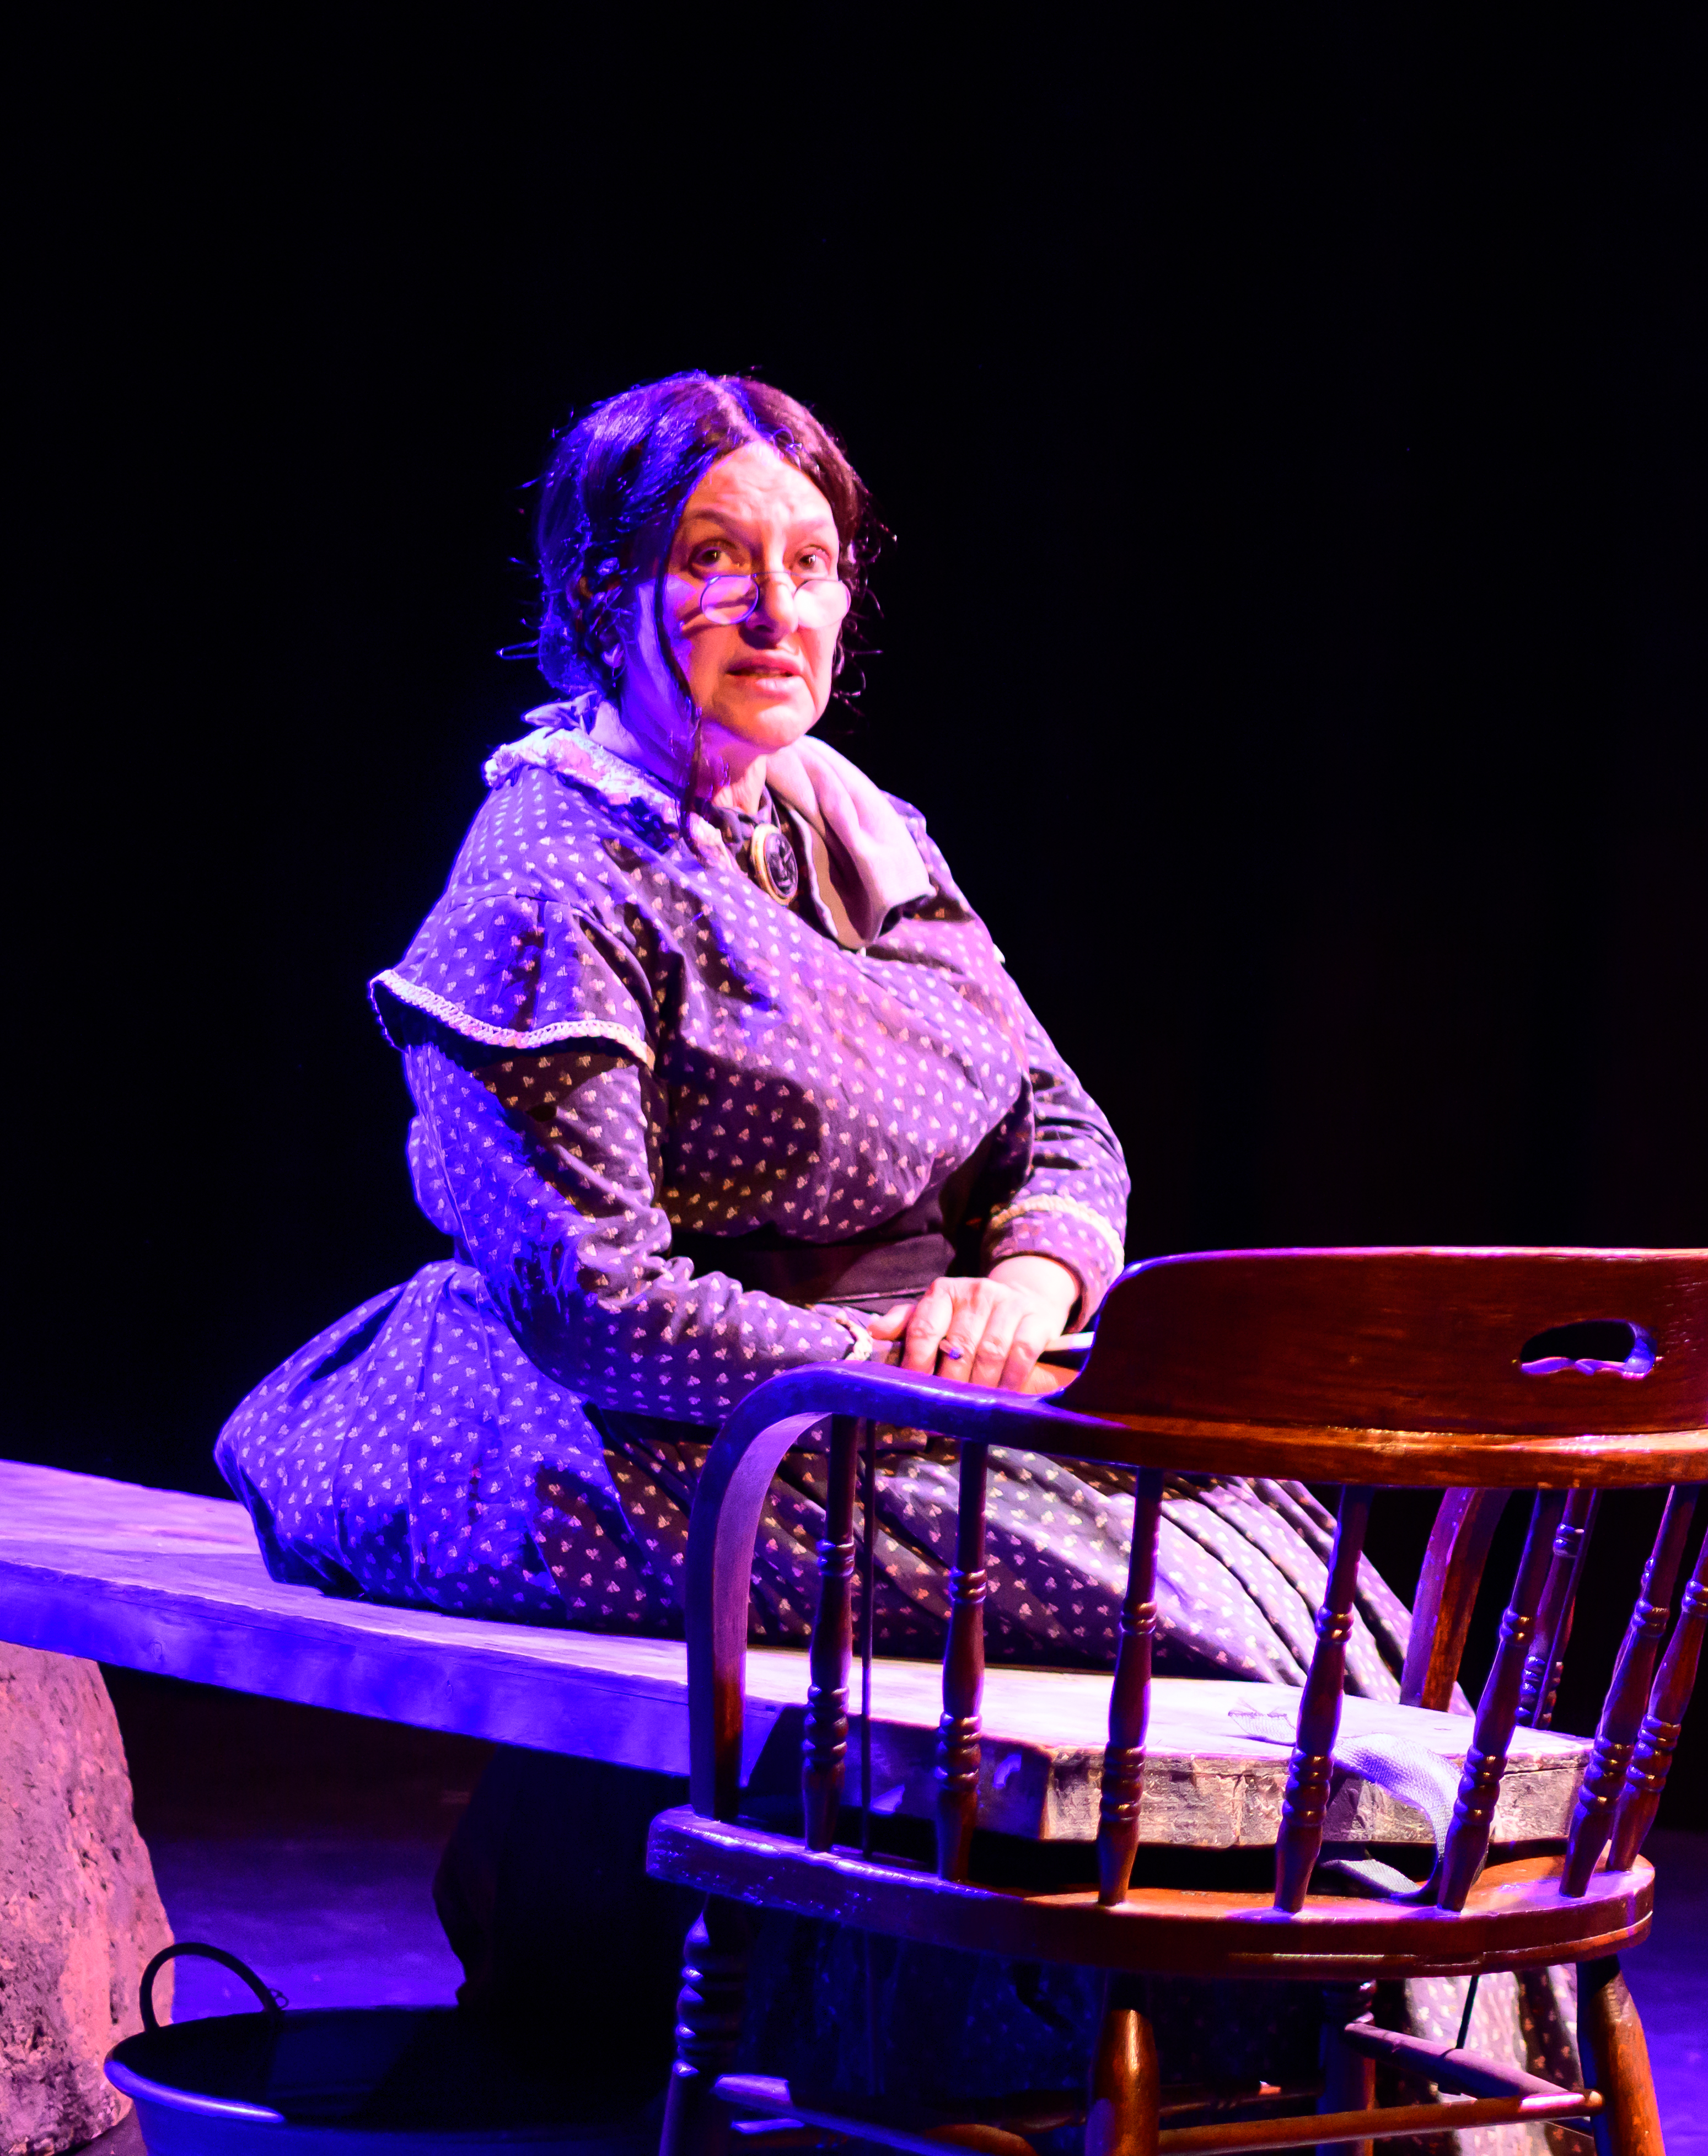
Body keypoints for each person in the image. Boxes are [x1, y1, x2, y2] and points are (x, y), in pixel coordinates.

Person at [213, 372, 1441, 2085]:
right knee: (1189, 1604)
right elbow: (597, 1299)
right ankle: (1081, 2049)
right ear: (602, 591)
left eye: (812, 558)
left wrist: (1027, 1275)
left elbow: (1061, 1124)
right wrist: (889, 1365)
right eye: (715, 556)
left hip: (928, 1380)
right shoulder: (552, 873)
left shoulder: (850, 827)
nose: (776, 605)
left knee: (1293, 1578)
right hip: (637, 1417)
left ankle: (1327, 2069)